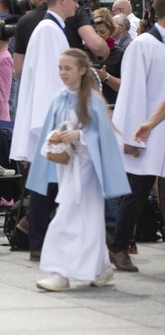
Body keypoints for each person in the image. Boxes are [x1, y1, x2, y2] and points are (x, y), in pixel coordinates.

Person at [27, 49, 130, 291]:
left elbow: (103, 135)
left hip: (88, 170)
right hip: (67, 168)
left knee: (65, 219)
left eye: (67, 68)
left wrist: (79, 135)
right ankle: (101, 270)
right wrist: (59, 136)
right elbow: (50, 131)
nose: (62, 73)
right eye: (60, 68)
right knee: (89, 222)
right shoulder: (60, 97)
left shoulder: (92, 99)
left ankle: (60, 273)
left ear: (82, 70)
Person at [11, 0, 82, 261]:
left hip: (48, 117)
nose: (78, 6)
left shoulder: (49, 28)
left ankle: (39, 238)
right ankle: (37, 241)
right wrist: (57, 121)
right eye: (75, 0)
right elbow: (52, 79)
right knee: (47, 184)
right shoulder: (50, 30)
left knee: (49, 184)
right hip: (50, 119)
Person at [108, 0, 165, 272]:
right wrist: (130, 137)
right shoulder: (143, 44)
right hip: (146, 133)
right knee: (137, 191)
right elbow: (131, 93)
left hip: (157, 129)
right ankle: (118, 246)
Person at [90, 8, 123, 105]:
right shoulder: (83, 52)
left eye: (102, 32)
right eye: (94, 31)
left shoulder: (118, 53)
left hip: (111, 107)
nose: (98, 36)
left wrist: (106, 77)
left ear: (110, 31)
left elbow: (124, 86)